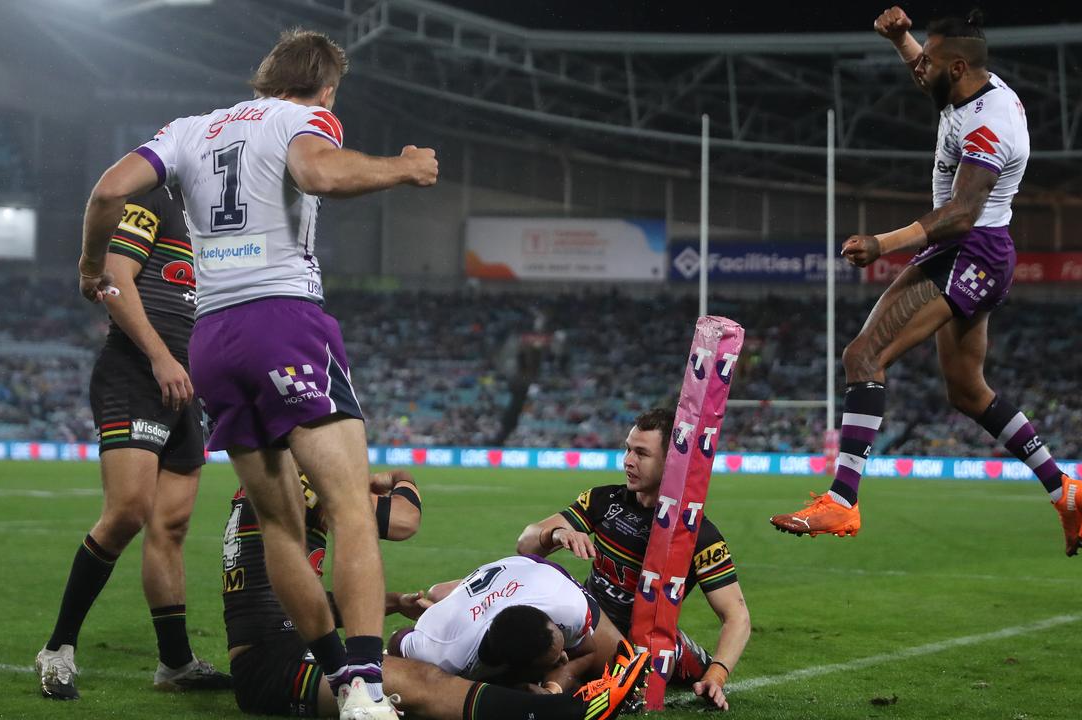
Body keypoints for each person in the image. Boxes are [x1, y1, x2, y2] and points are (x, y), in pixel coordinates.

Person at [75, 29, 438, 719]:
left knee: (279, 525)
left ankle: (338, 674)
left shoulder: (187, 130)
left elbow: (105, 194)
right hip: (283, 319)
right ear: (327, 87)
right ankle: (362, 687)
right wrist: (403, 167)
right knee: (351, 510)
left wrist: (93, 267)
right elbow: (321, 175)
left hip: (211, 339)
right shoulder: (305, 118)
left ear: (263, 76)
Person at [768, 6, 1082, 556]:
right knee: (967, 391)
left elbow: (962, 213)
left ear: (960, 67)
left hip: (970, 249)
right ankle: (1063, 488)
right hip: (975, 251)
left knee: (863, 355)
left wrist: (881, 245)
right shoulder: (965, 87)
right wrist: (902, 40)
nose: (922, 71)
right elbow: (928, 67)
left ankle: (843, 500)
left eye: (932, 63)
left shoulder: (992, 123)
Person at [224, 471, 649, 720]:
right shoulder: (296, 476)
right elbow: (404, 521)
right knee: (423, 683)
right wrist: (401, 478)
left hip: (281, 649)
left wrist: (392, 602)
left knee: (415, 683)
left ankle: (537, 699)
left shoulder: (262, 481)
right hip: (274, 662)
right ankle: (562, 714)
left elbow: (294, 605)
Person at [37, 186, 230, 700]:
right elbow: (115, 277)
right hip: (137, 372)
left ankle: (175, 664)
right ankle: (58, 648)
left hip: (190, 386)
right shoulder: (155, 199)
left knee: (172, 525)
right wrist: (160, 356)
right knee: (127, 511)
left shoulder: (218, 220)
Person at [516, 408, 750, 712]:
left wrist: (717, 675)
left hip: (648, 646)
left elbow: (737, 616)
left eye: (641, 453)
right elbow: (525, 545)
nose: (628, 460)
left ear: (673, 462)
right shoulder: (604, 500)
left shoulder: (697, 534)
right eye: (627, 449)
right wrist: (557, 534)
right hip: (588, 623)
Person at [388, 555, 627, 694]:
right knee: (437, 594)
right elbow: (397, 643)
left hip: (538, 575)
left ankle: (446, 598)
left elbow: (588, 650)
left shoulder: (567, 607)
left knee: (622, 673)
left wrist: (552, 688)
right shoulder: (440, 654)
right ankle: (446, 598)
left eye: (561, 652)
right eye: (555, 659)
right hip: (481, 605)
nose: (565, 658)